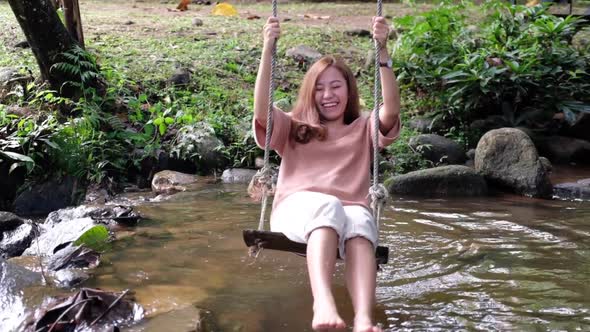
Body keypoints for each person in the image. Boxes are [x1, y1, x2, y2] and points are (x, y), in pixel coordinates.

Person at [252, 15, 401, 332]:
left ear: (349, 91)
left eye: (336, 86)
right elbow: (261, 107)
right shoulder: (293, 125)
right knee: (329, 205)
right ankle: (323, 303)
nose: (328, 95)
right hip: (296, 211)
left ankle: (363, 318)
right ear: (310, 93)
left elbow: (390, 110)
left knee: (361, 219)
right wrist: (268, 48)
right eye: (319, 88)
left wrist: (383, 53)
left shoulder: (363, 127)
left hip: (345, 215)